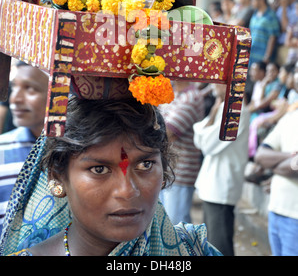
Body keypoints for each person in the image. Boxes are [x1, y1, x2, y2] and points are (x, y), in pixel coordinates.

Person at [2, 96, 221, 256]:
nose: (127, 191)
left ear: (163, 169)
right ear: (57, 176)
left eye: (145, 164)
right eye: (99, 169)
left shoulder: (195, 251)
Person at [193, 84, 250, 256]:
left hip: (221, 186)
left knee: (219, 246)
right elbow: (198, 139)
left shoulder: (236, 111)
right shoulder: (222, 108)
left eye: (218, 80)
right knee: (211, 243)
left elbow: (207, 145)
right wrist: (211, 116)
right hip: (213, 185)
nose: (213, 85)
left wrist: (207, 126)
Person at [0, 62, 49, 234]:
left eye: (30, 89)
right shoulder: (2, 151)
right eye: (14, 88)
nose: (15, 99)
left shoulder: (77, 152)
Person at [254, 71, 298, 256]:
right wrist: (291, 158)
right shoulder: (290, 117)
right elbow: (261, 155)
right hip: (276, 210)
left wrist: (275, 164)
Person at [159, 81, 205, 225]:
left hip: (180, 172)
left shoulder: (192, 97)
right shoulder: (172, 93)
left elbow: (168, 132)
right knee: (163, 223)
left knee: (176, 225)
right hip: (165, 168)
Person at [249, 0, 280, 66]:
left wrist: (267, 56)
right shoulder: (254, 14)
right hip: (251, 54)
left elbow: (273, 37)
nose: (252, 2)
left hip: (262, 56)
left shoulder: (270, 16)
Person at [276, 0, 298, 65]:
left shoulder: (296, 9)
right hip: (279, 45)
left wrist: (284, 8)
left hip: (290, 48)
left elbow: (285, 27)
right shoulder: (281, 7)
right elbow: (278, 25)